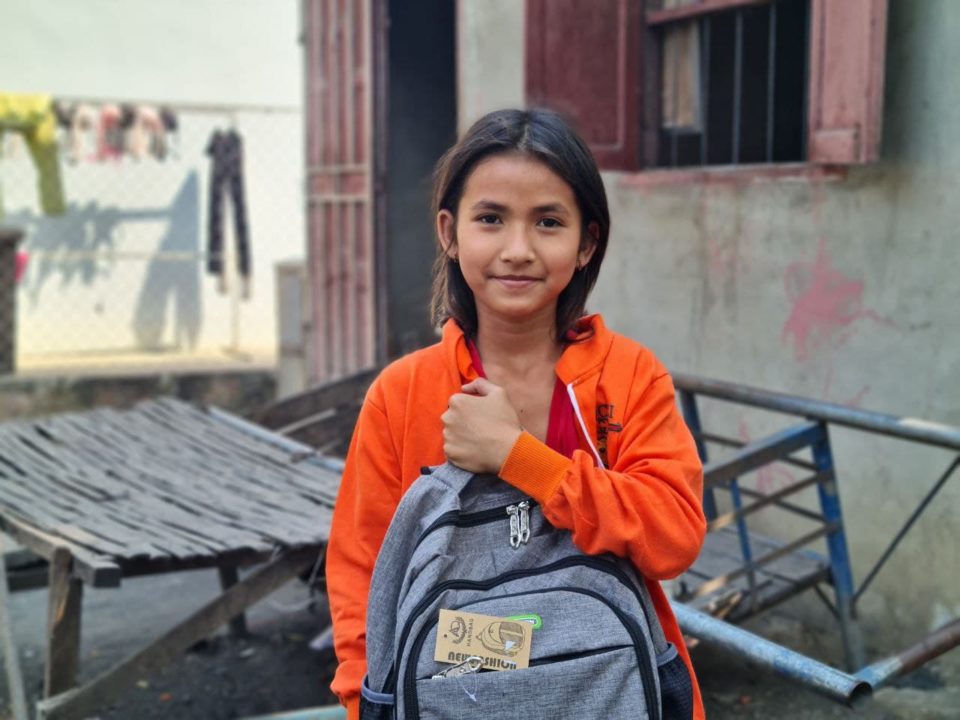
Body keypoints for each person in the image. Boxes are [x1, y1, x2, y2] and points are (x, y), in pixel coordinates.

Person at [326, 108, 706, 720]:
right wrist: (364, 703)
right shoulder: (402, 394)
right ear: (450, 233)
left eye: (549, 222)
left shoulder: (629, 377)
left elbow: (673, 539)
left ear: (587, 243)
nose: (518, 249)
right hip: (458, 691)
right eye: (491, 219)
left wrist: (518, 457)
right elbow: (363, 576)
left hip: (612, 688)